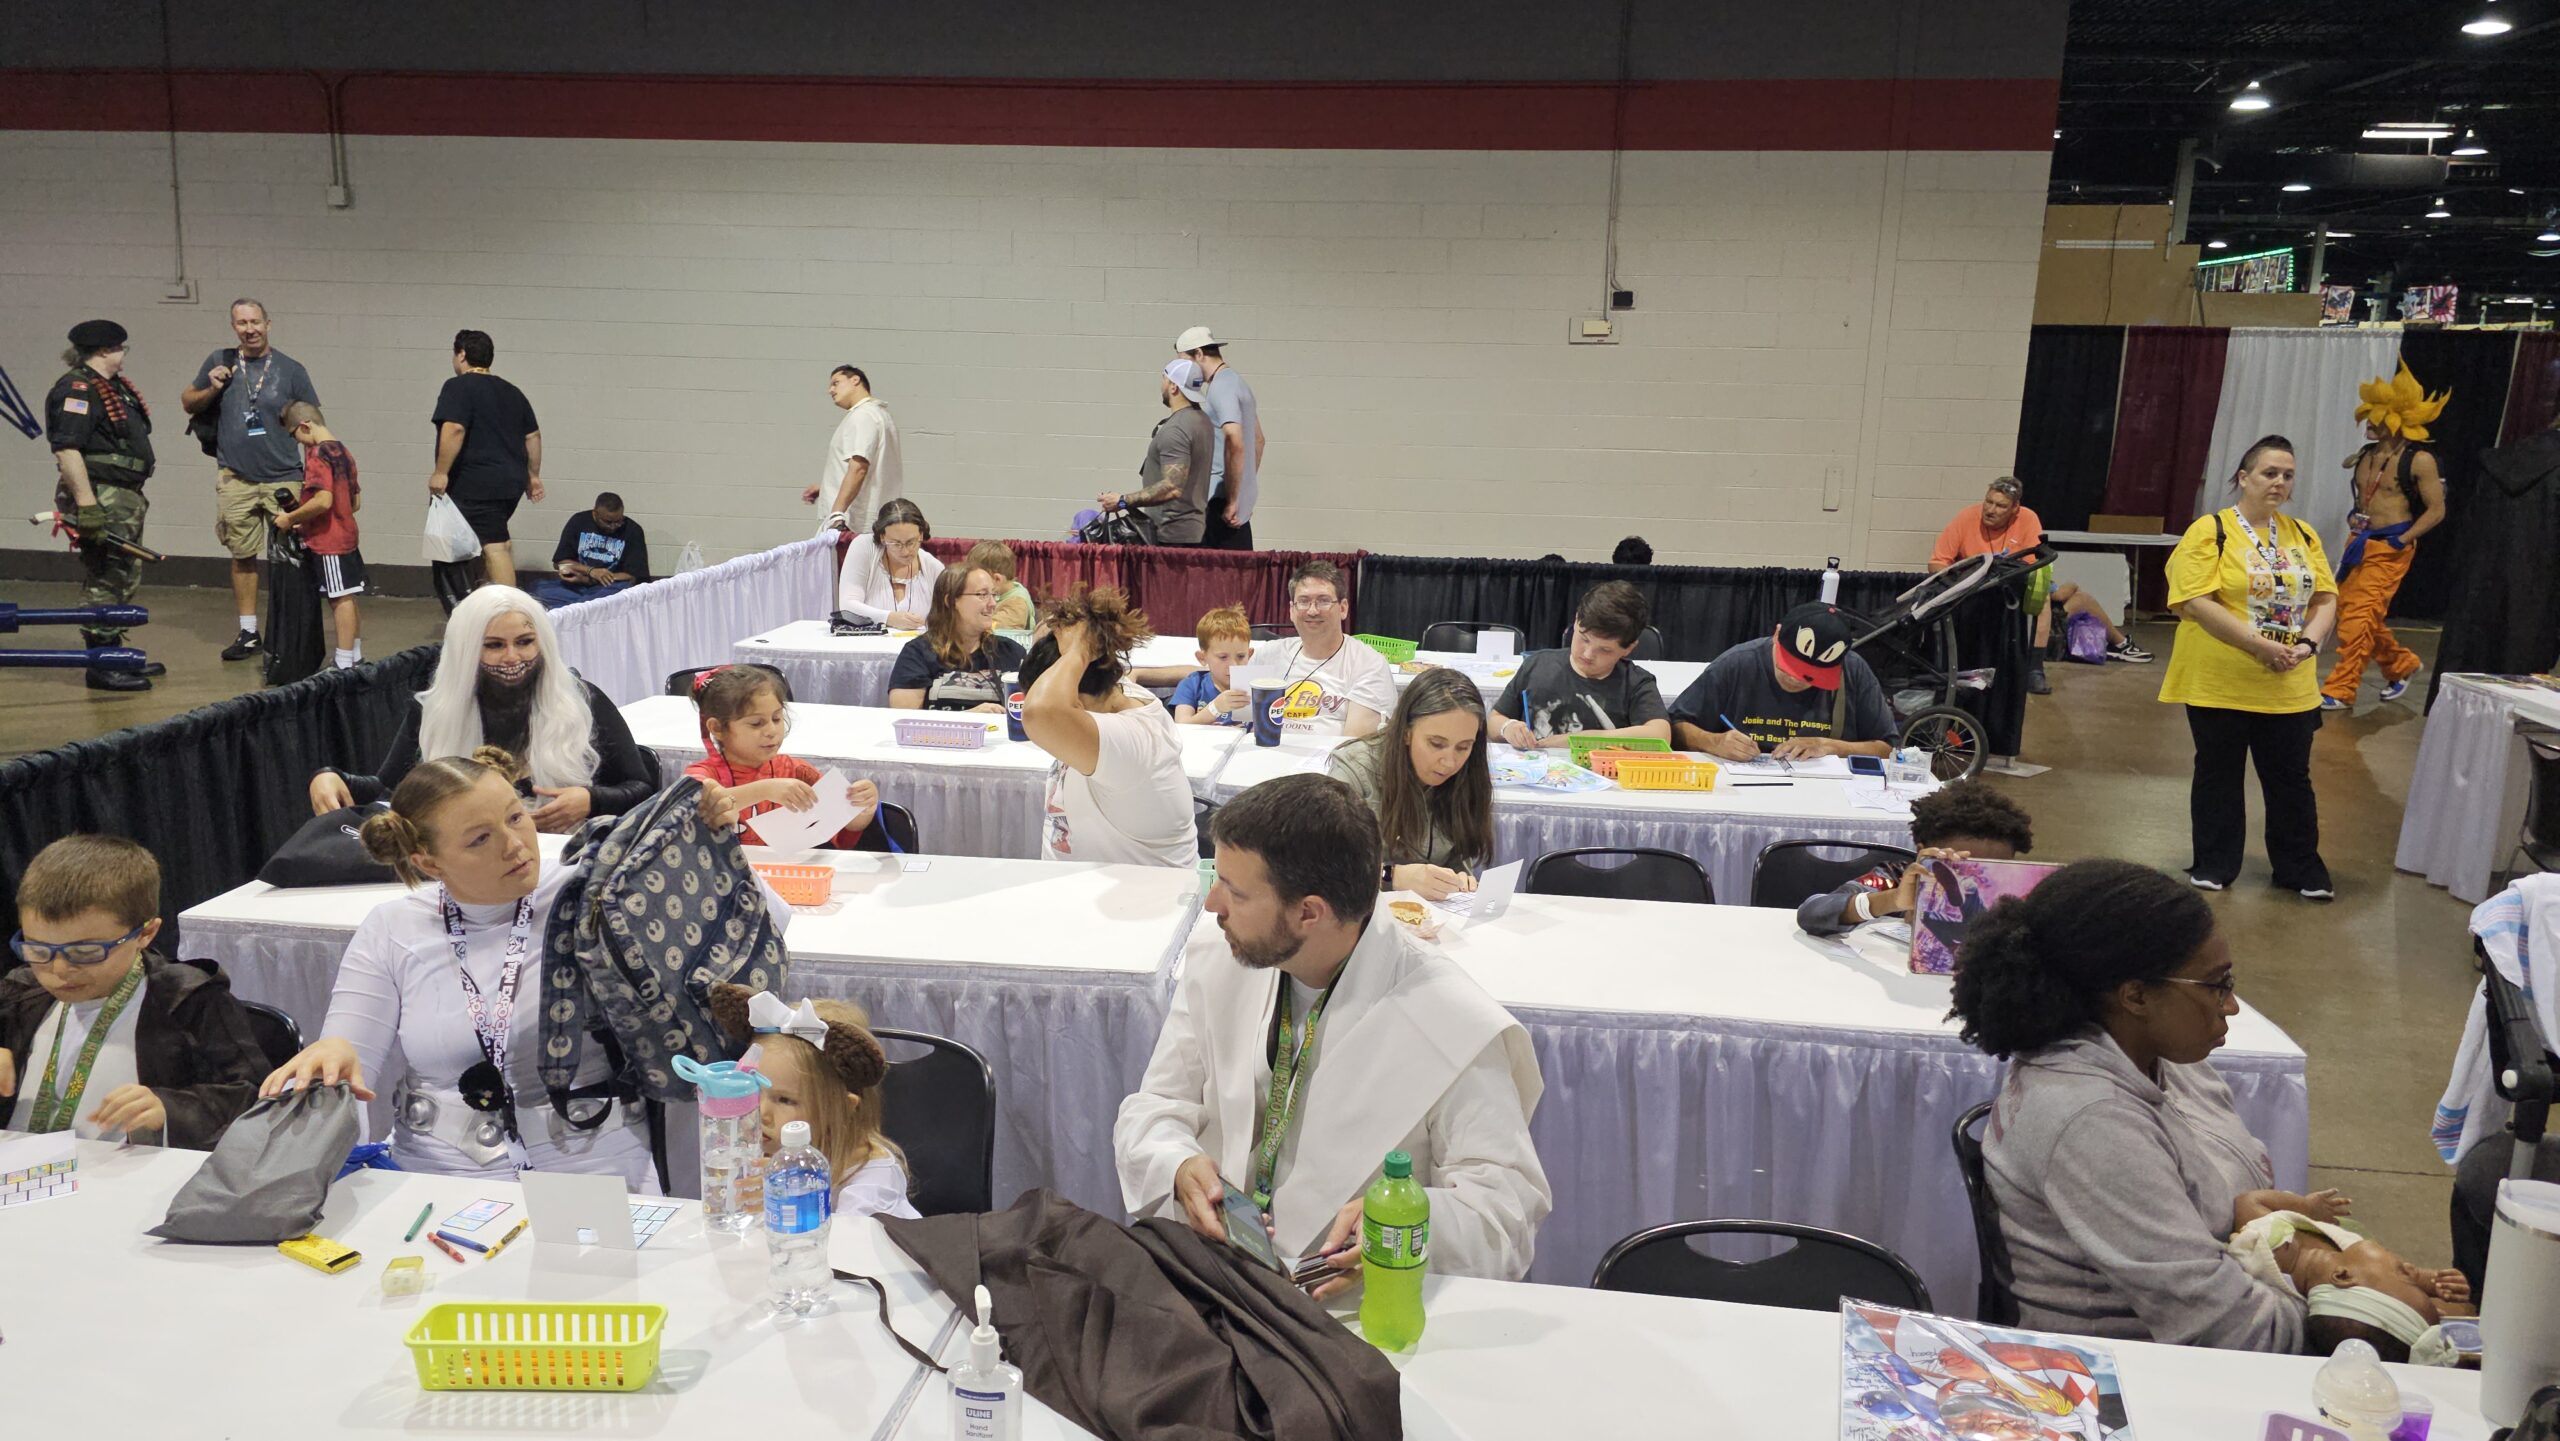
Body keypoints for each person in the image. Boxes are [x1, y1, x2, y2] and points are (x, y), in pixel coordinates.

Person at [1114, 773, 1551, 1291]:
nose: (1212, 906)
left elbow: (1505, 1212)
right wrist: (1178, 1164)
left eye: (1234, 890)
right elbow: (1156, 1105)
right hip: (1217, 1273)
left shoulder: (1450, 1020)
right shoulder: (1222, 954)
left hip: (1352, 1310)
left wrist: (1401, 1225)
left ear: (1308, 913)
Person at [261, 748, 761, 1185]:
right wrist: (331, 1052)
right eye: (480, 839)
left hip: (595, 1166)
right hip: (435, 1172)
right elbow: (351, 1057)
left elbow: (750, 930)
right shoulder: (393, 926)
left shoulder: (596, 895)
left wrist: (713, 844)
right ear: (429, 863)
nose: (514, 844)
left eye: (516, 817)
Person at [1948, 858, 2301, 1351]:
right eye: (2216, 985)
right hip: (2124, 1375)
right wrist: (2353, 1303)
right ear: (2135, 996)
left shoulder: (2162, 1058)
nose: (2232, 1005)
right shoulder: (2090, 1121)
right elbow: (2234, 1333)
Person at [307, 584, 661, 828]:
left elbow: (642, 787)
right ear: (467, 651)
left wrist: (591, 800)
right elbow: (391, 790)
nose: (512, 657)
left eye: (525, 642)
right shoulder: (434, 710)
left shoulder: (583, 700)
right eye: (493, 645)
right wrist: (332, 777)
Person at [2158, 435, 2338, 899]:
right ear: (2244, 478)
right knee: (2219, 773)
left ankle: (2299, 868)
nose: (2279, 482)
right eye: (2269, 473)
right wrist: (2259, 646)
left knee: (2291, 779)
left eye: (2288, 475)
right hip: (2220, 679)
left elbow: (2325, 598)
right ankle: (2215, 864)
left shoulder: (2304, 534)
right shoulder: (2210, 530)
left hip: (2289, 682)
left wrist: (2309, 643)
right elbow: (2195, 600)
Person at [1, 835, 265, 1148]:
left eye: (85, 951)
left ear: (145, 933)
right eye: (39, 950)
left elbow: (254, 1095)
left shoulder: (189, 1001)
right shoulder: (19, 993)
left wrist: (169, 1108)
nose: (59, 970)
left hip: (126, 1176)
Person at [1020, 587, 1198, 868]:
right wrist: (1077, 636)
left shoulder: (1135, 739)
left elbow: (1040, 712)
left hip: (1143, 902)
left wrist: (1078, 651)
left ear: (1075, 699)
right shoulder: (1115, 693)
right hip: (1080, 889)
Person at [183, 298, 320, 663]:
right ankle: (248, 631)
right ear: (234, 327)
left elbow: (312, 422)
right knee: (242, 555)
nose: (250, 329)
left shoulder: (291, 369)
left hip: (284, 477)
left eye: (256, 322)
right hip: (236, 478)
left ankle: (288, 630)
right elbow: (188, 402)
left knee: (289, 558)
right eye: (242, 323)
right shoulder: (219, 361)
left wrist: (318, 474)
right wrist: (211, 387)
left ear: (268, 324)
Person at [710, 986, 917, 1219]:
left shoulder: (874, 1182)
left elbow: (851, 1247)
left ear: (843, 1108)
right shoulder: (775, 1155)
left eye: (785, 1100)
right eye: (755, 1091)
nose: (762, 1113)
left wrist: (783, 1204)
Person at [2323, 362, 2452, 711]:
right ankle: (2401, 665)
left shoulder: (2420, 459)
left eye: (2377, 418)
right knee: (2352, 613)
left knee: (2357, 621)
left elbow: (2436, 510)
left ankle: (2341, 689)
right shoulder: (2366, 455)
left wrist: (2403, 538)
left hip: (2391, 548)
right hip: (2360, 543)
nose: (2369, 423)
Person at [46, 319, 163, 691]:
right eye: (119, 348)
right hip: (101, 493)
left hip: (123, 494)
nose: (122, 354)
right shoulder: (77, 389)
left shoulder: (110, 388)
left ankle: (115, 658)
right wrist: (88, 505)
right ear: (104, 351)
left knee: (122, 575)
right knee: (105, 575)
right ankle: (100, 665)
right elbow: (67, 449)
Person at [1325, 668, 1492, 903]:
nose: (1449, 762)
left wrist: (1459, 879)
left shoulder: (1468, 775)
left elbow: (1456, 857)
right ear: (1406, 733)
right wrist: (1392, 876)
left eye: (1463, 747)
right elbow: (1323, 867)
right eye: (1436, 744)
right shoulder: (1354, 769)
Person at [684, 665, 887, 850]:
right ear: (717, 728)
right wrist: (765, 790)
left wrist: (862, 809)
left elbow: (842, 828)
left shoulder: (797, 771)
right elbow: (701, 806)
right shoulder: (702, 775)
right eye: (756, 723)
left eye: (776, 718)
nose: (771, 730)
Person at [1796, 779, 2034, 935]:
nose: (1978, 878)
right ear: (1923, 851)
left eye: (1996, 867)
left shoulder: (2019, 893)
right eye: (1961, 866)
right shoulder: (1896, 878)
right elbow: (1812, 912)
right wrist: (1892, 901)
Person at [1671, 602, 1895, 760]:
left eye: (1812, 676)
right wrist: (1714, 742)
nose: (1797, 679)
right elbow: (1676, 726)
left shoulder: (1852, 670)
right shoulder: (1738, 663)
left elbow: (1888, 749)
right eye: (1790, 668)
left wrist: (1828, 746)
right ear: (1777, 635)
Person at [1491, 581, 1671, 748]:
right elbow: (1494, 720)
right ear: (1576, 620)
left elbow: (1660, 735)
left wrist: (1577, 740)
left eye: (1605, 650)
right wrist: (1508, 727)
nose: (1587, 654)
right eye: (1583, 639)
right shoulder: (1537, 665)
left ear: (1628, 648)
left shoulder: (1635, 683)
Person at [428, 329, 543, 589]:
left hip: (477, 481)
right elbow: (533, 436)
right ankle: (486, 603)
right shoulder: (512, 391)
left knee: (495, 546)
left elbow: (455, 428)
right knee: (489, 538)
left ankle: (508, 612)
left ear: (462, 354)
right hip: (511, 481)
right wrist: (533, 476)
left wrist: (441, 471)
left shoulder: (457, 386)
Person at [1243, 560, 1394, 738]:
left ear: (1343, 608)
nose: (1313, 611)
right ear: (1292, 610)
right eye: (1304, 601)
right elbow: (1239, 723)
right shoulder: (1266, 654)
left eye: (1323, 601)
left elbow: (1353, 749)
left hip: (1328, 763)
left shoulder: (1370, 664)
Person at [275, 401, 366, 671]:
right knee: (347, 595)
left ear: (305, 426)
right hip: (347, 535)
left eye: (296, 437)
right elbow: (355, 501)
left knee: (339, 599)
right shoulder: (344, 452)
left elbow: (323, 500)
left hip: (329, 541)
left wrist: (290, 518)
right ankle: (355, 654)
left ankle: (343, 661)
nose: (300, 444)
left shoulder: (317, 454)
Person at [1098, 360, 1217, 546]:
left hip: (1170, 537)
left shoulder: (1177, 429)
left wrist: (1122, 501)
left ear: (1173, 386)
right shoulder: (1202, 421)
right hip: (1191, 532)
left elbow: (1173, 486)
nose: (1161, 384)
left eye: (1164, 379)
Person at [888, 565, 1026, 712]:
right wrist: (968, 718)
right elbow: (906, 720)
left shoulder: (1011, 651)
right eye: (982, 595)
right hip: (941, 736)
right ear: (951, 601)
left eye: (994, 594)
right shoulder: (917, 653)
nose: (993, 604)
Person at [1177, 326, 1265, 551]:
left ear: (1198, 354)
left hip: (1219, 501)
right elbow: (1258, 441)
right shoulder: (1237, 382)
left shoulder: (1220, 388)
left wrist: (1234, 499)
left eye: (1184, 361)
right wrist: (1243, 497)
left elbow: (1234, 440)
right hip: (1231, 501)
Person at [808, 365, 904, 530]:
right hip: (872, 522)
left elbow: (859, 468)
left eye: (835, 383)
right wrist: (826, 488)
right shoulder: (880, 415)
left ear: (855, 380)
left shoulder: (862, 416)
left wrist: (836, 516)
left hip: (852, 525)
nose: (830, 390)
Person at [534, 492, 651, 609]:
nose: (613, 526)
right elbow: (560, 564)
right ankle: (578, 608)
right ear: (595, 514)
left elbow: (633, 576)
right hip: (575, 585)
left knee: (614, 595)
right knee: (537, 591)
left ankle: (577, 608)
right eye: (608, 522)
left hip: (607, 587)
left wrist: (592, 579)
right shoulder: (578, 521)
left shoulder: (633, 530)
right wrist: (590, 571)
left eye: (618, 521)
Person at [836, 498, 942, 626]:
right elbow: (848, 606)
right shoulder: (864, 546)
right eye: (896, 543)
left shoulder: (934, 568)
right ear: (882, 537)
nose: (905, 551)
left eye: (911, 542)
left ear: (921, 535)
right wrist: (889, 618)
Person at [1171, 604, 1256, 726]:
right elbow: (1182, 724)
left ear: (1250, 654)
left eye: (1241, 656)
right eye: (1223, 657)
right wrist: (1215, 708)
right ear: (1202, 658)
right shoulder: (1191, 685)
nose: (1233, 665)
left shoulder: (1258, 687)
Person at [966, 539, 1035, 632]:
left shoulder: (1017, 603)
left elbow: (994, 627)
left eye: (979, 580)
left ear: (997, 579)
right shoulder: (1001, 592)